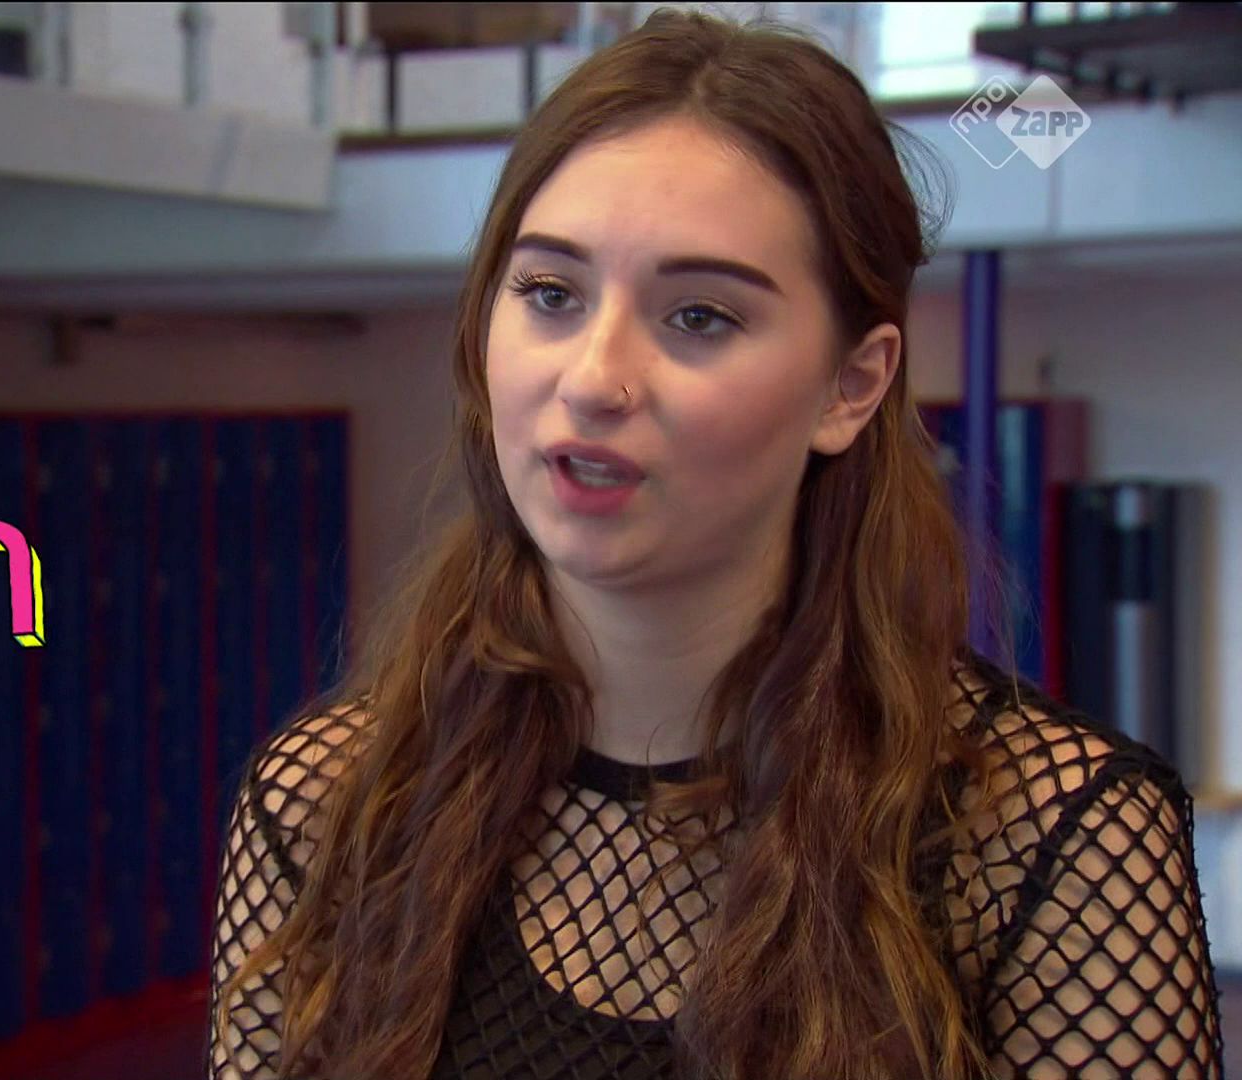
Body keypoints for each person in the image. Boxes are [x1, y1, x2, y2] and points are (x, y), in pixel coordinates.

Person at [207, 8, 1224, 1080]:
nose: (594, 379)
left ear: (851, 387)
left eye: (699, 317)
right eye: (550, 294)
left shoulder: (1051, 842)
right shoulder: (327, 801)